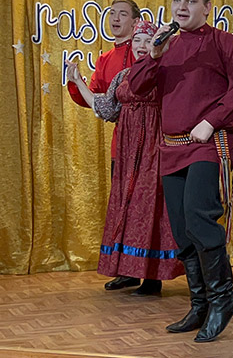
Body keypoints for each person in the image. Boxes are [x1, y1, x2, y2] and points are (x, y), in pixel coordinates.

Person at [128, 0, 233, 343]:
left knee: (200, 220)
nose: (182, 7)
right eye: (177, 1)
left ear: (207, 7)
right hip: (171, 147)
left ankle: (221, 299)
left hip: (208, 144)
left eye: (191, 1)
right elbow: (135, 88)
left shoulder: (223, 43)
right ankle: (200, 304)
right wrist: (153, 56)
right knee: (182, 229)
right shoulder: (165, 45)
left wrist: (211, 120)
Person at [67, 21, 184, 296]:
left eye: (147, 40)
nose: (141, 46)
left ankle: (153, 278)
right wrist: (78, 81)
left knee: (153, 208)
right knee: (130, 208)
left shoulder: (165, 72)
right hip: (128, 152)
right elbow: (106, 109)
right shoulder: (123, 76)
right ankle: (131, 271)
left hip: (156, 149)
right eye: (137, 41)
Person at [66, 0, 141, 291]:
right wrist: (75, 82)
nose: (115, 18)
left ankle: (150, 273)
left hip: (147, 144)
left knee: (144, 208)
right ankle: (128, 270)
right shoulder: (106, 58)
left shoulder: (144, 53)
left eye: (122, 14)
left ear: (135, 22)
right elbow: (96, 100)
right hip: (120, 145)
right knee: (123, 207)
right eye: (112, 13)